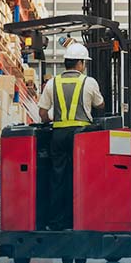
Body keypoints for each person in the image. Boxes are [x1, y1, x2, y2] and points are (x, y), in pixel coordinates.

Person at [36, 41, 105, 231]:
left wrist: (50, 120)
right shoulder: (88, 82)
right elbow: (100, 104)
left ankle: (57, 222)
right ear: (80, 63)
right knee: (81, 179)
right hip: (82, 138)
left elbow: (42, 113)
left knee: (58, 178)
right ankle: (80, 220)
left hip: (58, 136)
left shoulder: (52, 83)